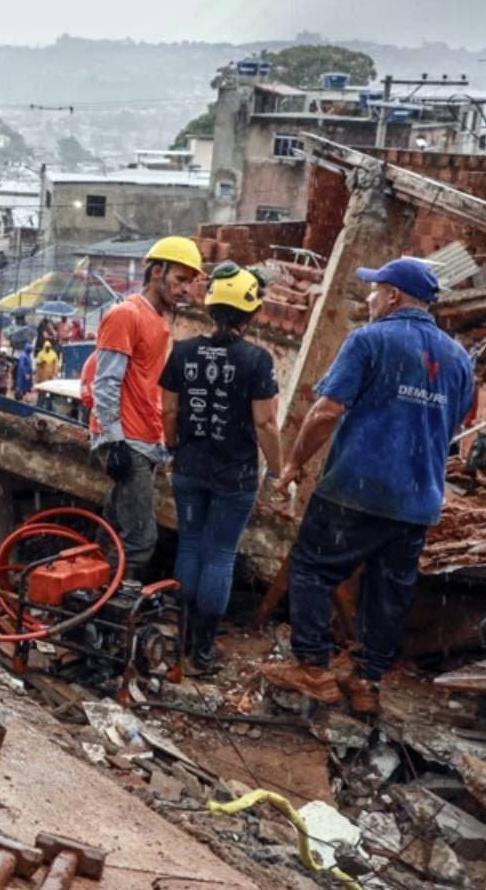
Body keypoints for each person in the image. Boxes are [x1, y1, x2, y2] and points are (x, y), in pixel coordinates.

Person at [261, 257, 473, 716]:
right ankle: (366, 682)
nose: (370, 297)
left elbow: (325, 412)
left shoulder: (370, 340)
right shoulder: (459, 359)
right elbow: (451, 424)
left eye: (375, 290)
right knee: (388, 590)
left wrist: (295, 463)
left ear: (394, 295)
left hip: (356, 489)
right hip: (418, 500)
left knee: (312, 568)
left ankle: (314, 667)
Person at [159, 264, 281, 674]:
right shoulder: (256, 360)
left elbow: (169, 409)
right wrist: (278, 470)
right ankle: (203, 651)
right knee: (220, 555)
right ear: (250, 313)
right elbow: (265, 424)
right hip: (236, 474)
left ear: (211, 307)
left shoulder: (183, 351)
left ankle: (180, 638)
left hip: (189, 467)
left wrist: (175, 446)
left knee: (190, 546)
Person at [87, 236, 205, 578]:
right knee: (140, 540)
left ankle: (84, 600)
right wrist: (113, 442)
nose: (185, 290)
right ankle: (103, 611)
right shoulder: (126, 315)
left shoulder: (158, 321)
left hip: (143, 441)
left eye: (190, 282)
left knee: (111, 532)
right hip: (127, 440)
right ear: (156, 272)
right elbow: (105, 382)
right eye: (180, 280)